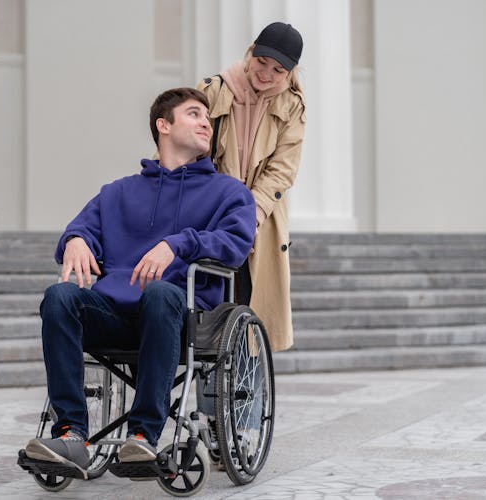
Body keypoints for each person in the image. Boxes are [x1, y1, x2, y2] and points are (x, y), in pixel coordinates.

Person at [23, 87, 257, 479]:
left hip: (181, 316)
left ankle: (143, 437)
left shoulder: (229, 192)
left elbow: (235, 245)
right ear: (163, 126)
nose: (206, 123)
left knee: (163, 292)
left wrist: (177, 243)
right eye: (194, 114)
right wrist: (76, 239)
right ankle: (71, 434)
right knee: (60, 297)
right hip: (114, 313)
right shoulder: (118, 192)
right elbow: (82, 227)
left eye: (208, 118)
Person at [197, 21, 305, 354]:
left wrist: (251, 213)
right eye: (262, 62)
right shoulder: (213, 89)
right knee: (206, 304)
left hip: (260, 218)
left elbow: (281, 170)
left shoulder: (292, 106)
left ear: (289, 73)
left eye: (278, 69)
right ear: (251, 51)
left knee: (250, 308)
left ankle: (249, 403)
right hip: (207, 211)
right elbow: (185, 141)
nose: (266, 74)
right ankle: (207, 401)